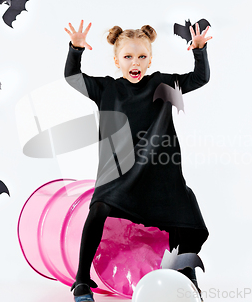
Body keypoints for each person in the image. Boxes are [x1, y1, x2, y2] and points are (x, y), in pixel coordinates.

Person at [64, 20, 212, 302]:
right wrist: (76, 49)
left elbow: (199, 78)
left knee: (188, 218)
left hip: (159, 177)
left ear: (151, 59)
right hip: (117, 177)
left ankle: (185, 269)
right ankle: (81, 280)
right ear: (117, 60)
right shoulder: (106, 89)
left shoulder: (162, 84)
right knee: (98, 210)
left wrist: (200, 51)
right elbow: (72, 76)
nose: (135, 62)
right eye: (128, 57)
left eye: (142, 56)